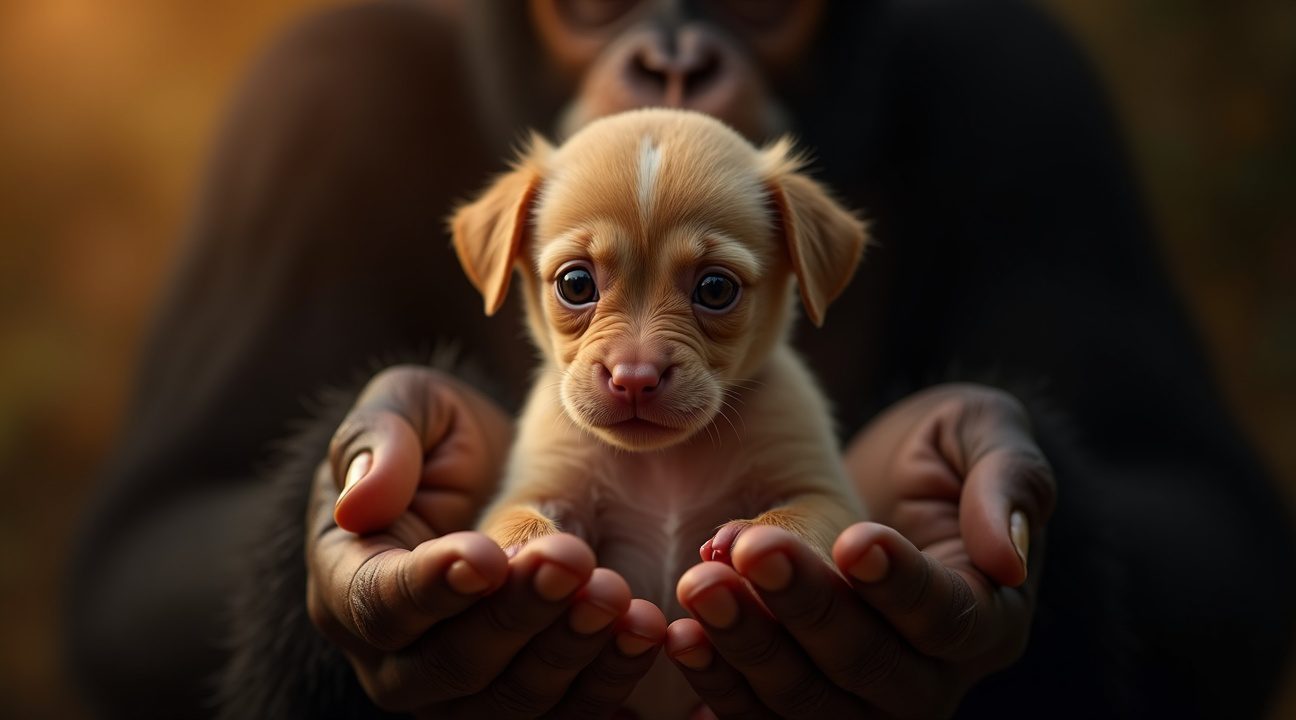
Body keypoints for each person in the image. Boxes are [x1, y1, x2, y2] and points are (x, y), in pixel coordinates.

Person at [67, 1, 1295, 718]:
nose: (671, 56)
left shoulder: (993, 82)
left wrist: (1013, 560)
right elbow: (122, 597)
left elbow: (1234, 585)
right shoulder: (348, 89)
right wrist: (350, 544)